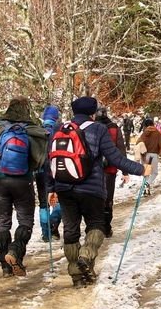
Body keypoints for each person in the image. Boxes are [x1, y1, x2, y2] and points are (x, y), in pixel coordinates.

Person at [47, 96, 152, 287]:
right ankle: (86, 257)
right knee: (96, 224)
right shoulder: (98, 129)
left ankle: (77, 276)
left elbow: (50, 160)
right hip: (92, 188)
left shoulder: (59, 129)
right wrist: (141, 169)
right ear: (93, 113)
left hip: (64, 187)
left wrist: (51, 188)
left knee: (70, 231)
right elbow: (115, 158)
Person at [0, 97, 49, 276]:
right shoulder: (31, 129)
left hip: (0, 181)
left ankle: (5, 265)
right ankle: (15, 251)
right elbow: (39, 161)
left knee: (3, 222)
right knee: (25, 221)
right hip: (23, 181)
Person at [96, 107, 128, 237]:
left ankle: (95, 227)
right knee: (108, 199)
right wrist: (125, 170)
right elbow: (121, 150)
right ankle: (106, 227)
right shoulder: (114, 128)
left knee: (95, 198)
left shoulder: (90, 127)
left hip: (93, 170)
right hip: (110, 170)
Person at [37, 105, 62, 242]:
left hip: (39, 171)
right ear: (56, 117)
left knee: (43, 203)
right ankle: (54, 223)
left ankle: (45, 233)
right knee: (59, 200)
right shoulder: (60, 130)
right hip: (55, 169)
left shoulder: (37, 131)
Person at [139, 117, 161, 196]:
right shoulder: (157, 133)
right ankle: (147, 184)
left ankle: (146, 189)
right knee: (154, 173)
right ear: (153, 124)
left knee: (146, 173)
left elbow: (138, 143)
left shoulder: (143, 134)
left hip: (144, 155)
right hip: (153, 155)